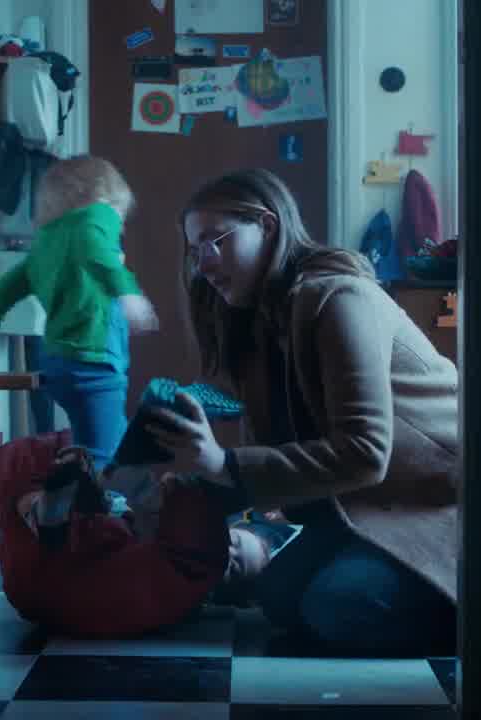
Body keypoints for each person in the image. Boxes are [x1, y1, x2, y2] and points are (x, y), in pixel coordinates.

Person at [145, 168, 460, 657]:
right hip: (366, 506)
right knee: (279, 599)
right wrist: (197, 488)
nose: (203, 264)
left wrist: (224, 464)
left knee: (339, 607)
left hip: (433, 505)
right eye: (194, 249)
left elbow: (364, 453)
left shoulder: (339, 299)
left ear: (267, 226)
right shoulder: (260, 321)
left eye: (216, 241)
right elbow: (281, 462)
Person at [0, 155, 159, 469]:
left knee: (90, 450)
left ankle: (74, 493)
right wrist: (128, 292)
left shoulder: (44, 248)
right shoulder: (95, 217)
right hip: (94, 365)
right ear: (101, 199)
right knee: (109, 460)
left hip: (57, 365)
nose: (118, 227)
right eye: (119, 217)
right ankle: (84, 499)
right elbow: (92, 244)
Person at [0, 433, 275, 638]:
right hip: (43, 564)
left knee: (193, 558)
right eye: (234, 543)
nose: (228, 552)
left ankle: (46, 510)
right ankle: (40, 509)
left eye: (235, 566)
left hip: (66, 586)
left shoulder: (190, 577)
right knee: (38, 457)